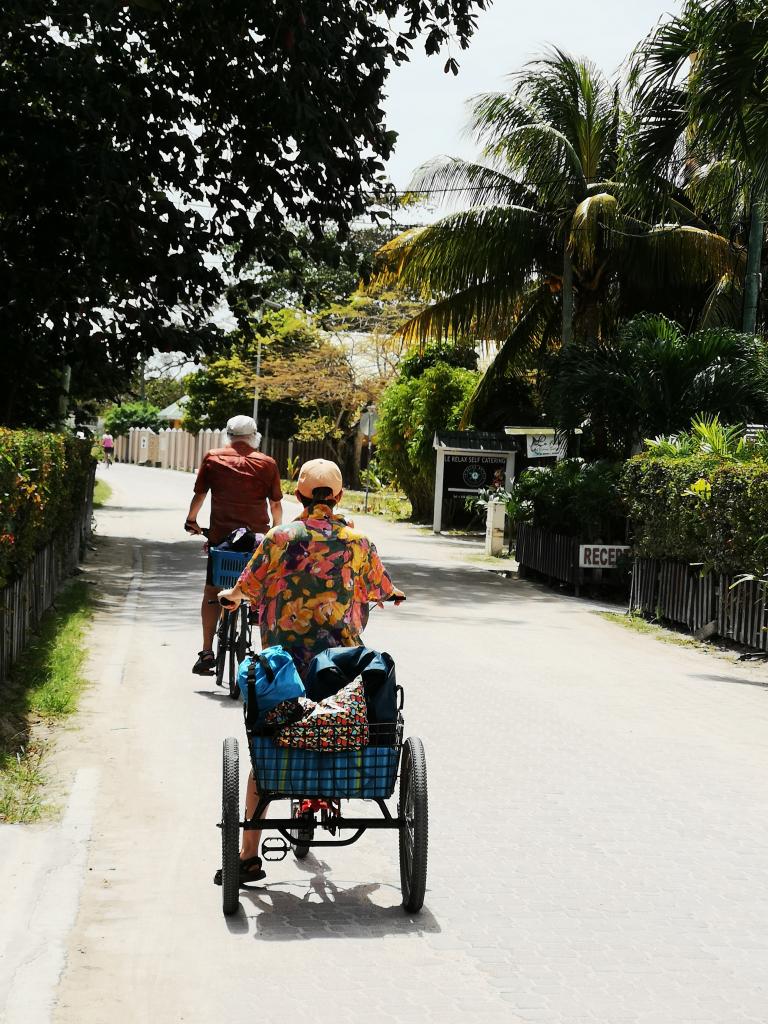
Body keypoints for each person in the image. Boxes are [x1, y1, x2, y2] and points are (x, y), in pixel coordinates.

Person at [216, 457, 405, 882]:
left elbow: (246, 587)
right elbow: (382, 587)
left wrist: (230, 595)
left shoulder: (279, 538)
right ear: (338, 496)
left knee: (265, 748)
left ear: (298, 494)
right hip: (342, 674)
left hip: (285, 673)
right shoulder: (359, 542)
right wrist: (393, 594)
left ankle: (248, 855)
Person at [184, 415, 283, 674]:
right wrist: (275, 530)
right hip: (257, 541)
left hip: (221, 540)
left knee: (212, 591)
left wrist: (191, 520)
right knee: (262, 588)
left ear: (228, 435)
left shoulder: (213, 458)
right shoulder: (267, 463)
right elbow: (275, 505)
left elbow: (200, 494)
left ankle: (207, 652)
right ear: (254, 436)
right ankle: (255, 613)